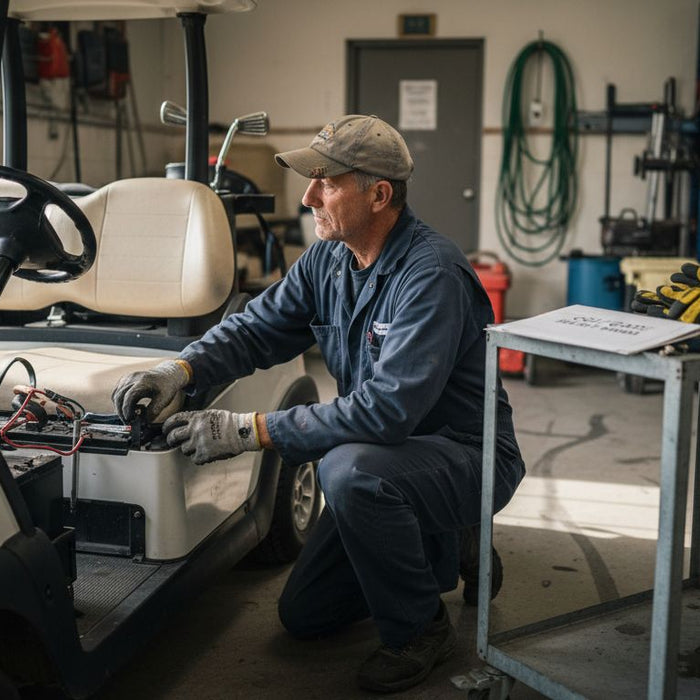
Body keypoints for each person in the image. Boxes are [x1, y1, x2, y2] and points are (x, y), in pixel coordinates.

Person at [112, 114, 525, 694]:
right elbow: (255, 328)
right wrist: (179, 368)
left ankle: (420, 629)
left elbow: (386, 412)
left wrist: (249, 429)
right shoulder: (330, 259)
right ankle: (448, 537)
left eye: (326, 182)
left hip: (464, 455)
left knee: (347, 471)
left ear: (379, 194)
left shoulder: (431, 274)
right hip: (394, 456)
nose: (308, 197)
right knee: (303, 615)